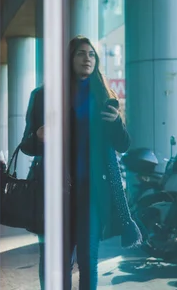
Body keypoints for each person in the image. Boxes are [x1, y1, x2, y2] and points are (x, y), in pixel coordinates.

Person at [20, 35, 141, 289]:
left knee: (89, 261)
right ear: (69, 58)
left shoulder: (104, 97)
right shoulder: (44, 96)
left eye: (91, 55)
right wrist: (39, 135)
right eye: (80, 54)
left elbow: (123, 144)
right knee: (56, 262)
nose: (87, 59)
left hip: (92, 194)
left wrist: (116, 122)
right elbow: (27, 146)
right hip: (55, 192)